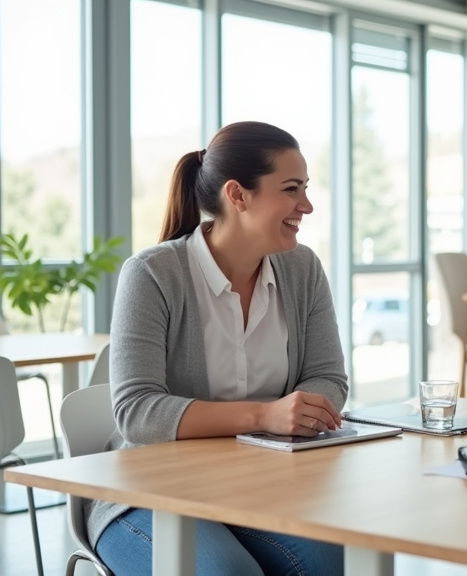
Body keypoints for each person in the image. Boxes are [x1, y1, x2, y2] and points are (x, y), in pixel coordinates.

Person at [88, 121, 348, 576]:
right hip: (149, 492)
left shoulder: (303, 268)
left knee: (328, 560)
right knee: (228, 574)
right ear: (238, 195)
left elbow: (328, 377)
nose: (306, 205)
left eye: (305, 189)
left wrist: (305, 409)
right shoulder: (151, 275)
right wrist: (264, 416)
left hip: (258, 484)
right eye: (291, 190)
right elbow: (137, 411)